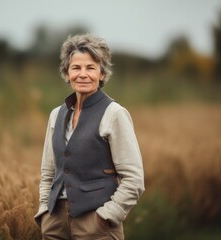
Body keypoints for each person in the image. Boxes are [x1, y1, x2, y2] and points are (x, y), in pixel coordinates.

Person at [34, 33, 145, 240]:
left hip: (95, 224)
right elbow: (48, 172)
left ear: (102, 74)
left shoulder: (114, 114)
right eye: (76, 68)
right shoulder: (56, 115)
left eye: (90, 68)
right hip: (55, 222)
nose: (82, 74)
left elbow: (134, 179)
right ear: (67, 73)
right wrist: (44, 211)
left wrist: (106, 216)